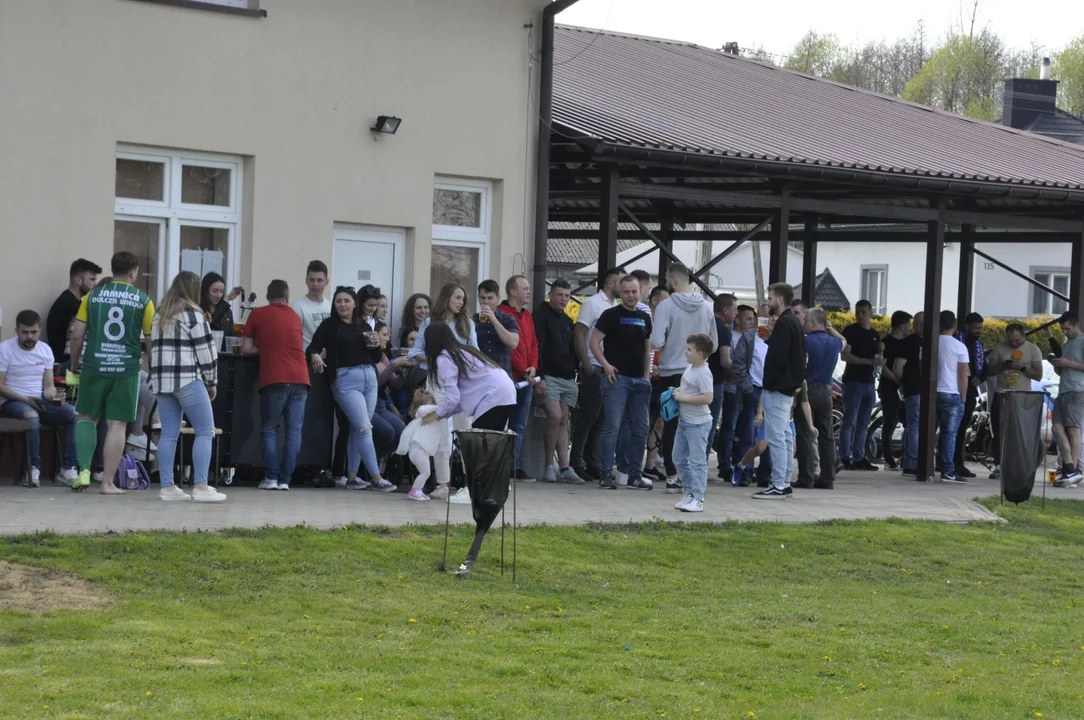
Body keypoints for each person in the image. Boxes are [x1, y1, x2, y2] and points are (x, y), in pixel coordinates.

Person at [69, 251, 154, 494]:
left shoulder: (92, 297)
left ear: (112, 269)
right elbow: (150, 341)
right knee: (117, 425)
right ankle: (107, 483)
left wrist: (75, 363)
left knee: (86, 418)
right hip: (125, 369)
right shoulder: (143, 300)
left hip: (95, 365)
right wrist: (153, 368)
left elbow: (77, 335)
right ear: (133, 271)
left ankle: (84, 471)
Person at [307, 286, 396, 492]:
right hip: (346, 380)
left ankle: (353, 477)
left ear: (355, 303)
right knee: (365, 428)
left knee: (358, 428)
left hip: (370, 378)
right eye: (338, 301)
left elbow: (375, 358)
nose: (342, 305)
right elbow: (311, 347)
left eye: (346, 301)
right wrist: (315, 355)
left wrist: (375, 346)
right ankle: (376, 477)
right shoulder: (329, 325)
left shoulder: (362, 324)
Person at [150, 271, 226, 503]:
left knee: (169, 434)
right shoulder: (193, 313)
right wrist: (211, 381)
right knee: (205, 430)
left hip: (163, 382)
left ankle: (167, 487)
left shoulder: (160, 314)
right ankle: (201, 486)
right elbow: (207, 352)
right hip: (187, 379)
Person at [650, 263, 718, 493]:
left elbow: (657, 340)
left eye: (669, 280)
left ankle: (672, 474)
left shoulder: (665, 306)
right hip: (698, 371)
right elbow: (714, 344)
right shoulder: (708, 307)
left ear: (674, 280)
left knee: (671, 424)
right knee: (696, 422)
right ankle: (693, 473)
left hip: (671, 371)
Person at [241, 279, 310, 491]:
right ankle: (285, 480)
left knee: (270, 429)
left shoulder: (258, 314)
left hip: (275, 379)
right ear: (287, 298)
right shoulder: (295, 316)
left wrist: (266, 350)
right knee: (293, 432)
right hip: (301, 379)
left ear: (268, 297)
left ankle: (271, 477)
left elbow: (245, 349)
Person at [0, 310, 78, 486]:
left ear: (40, 330)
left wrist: (56, 396)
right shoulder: (4, 349)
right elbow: (0, 386)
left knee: (74, 415)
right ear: (17, 330)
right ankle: (32, 468)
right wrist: (25, 399)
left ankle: (68, 468)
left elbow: (48, 386)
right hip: (12, 402)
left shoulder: (45, 350)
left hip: (39, 400)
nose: (29, 337)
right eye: (24, 332)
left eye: (34, 332)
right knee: (31, 417)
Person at [591, 275, 653, 490]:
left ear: (641, 291)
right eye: (626, 291)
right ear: (620, 291)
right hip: (617, 380)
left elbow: (647, 349)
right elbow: (593, 342)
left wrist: (646, 376)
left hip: (639, 381)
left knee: (641, 429)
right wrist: (606, 365)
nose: (630, 296)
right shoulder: (610, 315)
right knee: (612, 427)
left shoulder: (645, 317)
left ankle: (635, 475)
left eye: (634, 291)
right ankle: (606, 473)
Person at [570, 266, 624, 480]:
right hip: (593, 366)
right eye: (621, 282)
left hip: (607, 367)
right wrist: (586, 363)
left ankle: (591, 460)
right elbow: (579, 333)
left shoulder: (613, 305)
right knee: (588, 416)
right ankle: (576, 461)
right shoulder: (593, 303)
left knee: (601, 417)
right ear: (611, 283)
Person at [752, 283, 805, 500]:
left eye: (770, 298)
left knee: (776, 437)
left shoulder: (785, 323)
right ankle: (783, 482)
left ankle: (778, 485)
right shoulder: (792, 322)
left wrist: (768, 382)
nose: (767, 302)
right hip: (787, 386)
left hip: (778, 387)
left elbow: (778, 357)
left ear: (780, 300)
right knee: (782, 435)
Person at [421, 322, 516, 430]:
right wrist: (442, 414)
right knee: (492, 442)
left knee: (478, 442)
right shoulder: (462, 351)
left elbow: (453, 398)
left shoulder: (444, 358)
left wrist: (435, 415)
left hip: (493, 395)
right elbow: (457, 400)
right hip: (507, 392)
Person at [534, 279, 583, 484]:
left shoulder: (567, 320)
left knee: (564, 418)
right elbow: (537, 348)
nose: (563, 299)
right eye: (559, 295)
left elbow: (572, 349)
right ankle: (547, 467)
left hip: (567, 376)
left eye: (566, 296)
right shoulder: (540, 316)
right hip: (549, 376)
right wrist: (540, 377)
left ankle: (564, 467)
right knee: (554, 416)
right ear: (550, 295)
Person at [985, 322, 1043, 480]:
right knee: (998, 431)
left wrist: (1022, 368)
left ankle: (1019, 466)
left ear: (1023, 335)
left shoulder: (1032, 349)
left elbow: (1038, 375)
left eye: (1017, 340)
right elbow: (989, 370)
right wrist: (1003, 365)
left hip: (1022, 394)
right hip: (1001, 393)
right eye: (1011, 340)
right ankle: (998, 465)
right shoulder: (1000, 348)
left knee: (1019, 433)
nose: (1014, 343)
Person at [795, 308, 846, 489]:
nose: (804, 324)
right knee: (827, 436)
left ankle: (806, 477)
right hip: (826, 390)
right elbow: (844, 341)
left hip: (807, 390)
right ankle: (827, 478)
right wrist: (830, 328)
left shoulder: (806, 341)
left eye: (807, 321)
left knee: (805, 434)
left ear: (814, 323)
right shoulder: (834, 342)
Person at [497, 275, 539, 482]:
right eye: (525, 288)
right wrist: (523, 369)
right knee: (501, 423)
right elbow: (509, 347)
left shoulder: (528, 316)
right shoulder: (503, 314)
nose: (529, 292)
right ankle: (498, 465)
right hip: (509, 378)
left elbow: (533, 343)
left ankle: (514, 465)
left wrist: (533, 367)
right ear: (513, 291)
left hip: (527, 379)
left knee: (518, 425)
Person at [672, 333, 715, 512]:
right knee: (678, 458)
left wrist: (683, 397)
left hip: (698, 424)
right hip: (684, 422)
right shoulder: (690, 368)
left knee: (697, 461)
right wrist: (677, 392)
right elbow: (688, 389)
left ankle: (698, 498)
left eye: (689, 350)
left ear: (700, 354)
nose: (685, 352)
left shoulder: (704, 373)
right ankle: (689, 492)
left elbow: (708, 398)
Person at [839, 299, 881, 471]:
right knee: (849, 420)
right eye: (858, 312)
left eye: (864, 312)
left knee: (864, 422)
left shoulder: (875, 334)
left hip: (869, 382)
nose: (860, 315)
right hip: (853, 381)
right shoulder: (851, 331)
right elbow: (845, 355)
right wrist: (866, 361)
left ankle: (859, 456)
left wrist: (880, 353)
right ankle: (844, 456)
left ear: (870, 313)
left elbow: (879, 358)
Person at [729, 304, 765, 487]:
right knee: (747, 434)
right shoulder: (749, 338)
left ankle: (766, 474)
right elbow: (738, 364)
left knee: (769, 436)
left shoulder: (778, 340)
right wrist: (748, 388)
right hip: (752, 390)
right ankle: (745, 472)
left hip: (770, 391)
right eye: (764, 318)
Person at [934, 310, 970, 484]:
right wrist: (963, 398)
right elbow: (963, 376)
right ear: (954, 325)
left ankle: (922, 465)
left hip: (931, 393)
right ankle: (947, 470)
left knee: (926, 431)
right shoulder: (959, 347)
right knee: (949, 434)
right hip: (951, 392)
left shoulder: (930, 344)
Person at [47, 258, 102, 366]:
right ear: (78, 280)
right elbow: (76, 338)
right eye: (92, 279)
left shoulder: (70, 301)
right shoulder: (69, 305)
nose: (95, 284)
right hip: (67, 362)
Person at [408, 282, 478, 367]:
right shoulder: (429, 322)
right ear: (446, 298)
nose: (461, 302)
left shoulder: (467, 323)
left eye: (463, 299)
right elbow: (416, 351)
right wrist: (436, 361)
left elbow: (475, 352)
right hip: (431, 373)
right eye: (458, 298)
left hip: (457, 373)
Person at [1051, 312, 1084, 487]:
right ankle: (1069, 467)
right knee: (1056, 428)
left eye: (1068, 328)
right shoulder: (1068, 344)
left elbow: (1074, 366)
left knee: (1073, 429)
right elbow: (1066, 370)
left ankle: (1074, 471)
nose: (1065, 332)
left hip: (1077, 391)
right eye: (1063, 329)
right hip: (1063, 390)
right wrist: (1058, 366)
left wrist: (1068, 364)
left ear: (1077, 325)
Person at [878, 311, 913, 471]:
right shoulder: (887, 342)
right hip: (889, 388)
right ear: (901, 326)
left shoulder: (904, 343)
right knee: (890, 422)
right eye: (909, 325)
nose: (910, 328)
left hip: (901, 388)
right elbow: (882, 366)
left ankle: (903, 455)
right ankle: (888, 458)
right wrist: (897, 380)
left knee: (907, 422)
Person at [952, 312, 985, 478]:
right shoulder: (957, 342)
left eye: (980, 328)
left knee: (961, 428)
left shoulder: (978, 344)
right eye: (976, 328)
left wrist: (980, 379)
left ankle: (957, 462)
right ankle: (952, 462)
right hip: (954, 389)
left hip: (970, 390)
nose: (978, 331)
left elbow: (983, 367)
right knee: (953, 429)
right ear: (967, 326)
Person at [371, 321, 410, 464]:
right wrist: (394, 364)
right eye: (385, 335)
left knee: (402, 432)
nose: (388, 339)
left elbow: (393, 383)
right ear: (375, 336)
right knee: (388, 432)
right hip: (371, 405)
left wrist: (404, 374)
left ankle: (373, 459)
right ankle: (369, 462)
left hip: (381, 405)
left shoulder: (384, 357)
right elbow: (377, 382)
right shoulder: (370, 358)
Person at [643, 285, 671, 481]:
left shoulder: (669, 323)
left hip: (663, 379)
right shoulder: (646, 321)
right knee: (644, 422)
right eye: (665, 300)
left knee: (660, 422)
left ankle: (650, 465)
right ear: (654, 301)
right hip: (646, 378)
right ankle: (634, 463)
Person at [706, 294, 735, 477]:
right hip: (715, 382)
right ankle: (701, 464)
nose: (735, 313)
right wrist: (740, 369)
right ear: (726, 310)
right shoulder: (723, 330)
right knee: (709, 425)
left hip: (696, 380)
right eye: (734, 309)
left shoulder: (704, 323)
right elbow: (725, 362)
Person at [895, 312, 924, 477]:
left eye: (923, 322)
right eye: (918, 322)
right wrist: (904, 384)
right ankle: (912, 463)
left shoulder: (909, 342)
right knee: (915, 426)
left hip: (914, 390)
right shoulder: (910, 343)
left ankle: (909, 461)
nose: (921, 325)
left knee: (912, 426)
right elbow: (898, 368)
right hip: (915, 390)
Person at [474, 280, 519, 376]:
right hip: (481, 375)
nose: (486, 302)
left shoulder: (508, 319)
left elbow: (513, 343)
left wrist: (494, 320)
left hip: (502, 375)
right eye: (482, 298)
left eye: (490, 298)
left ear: (498, 299)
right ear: (478, 298)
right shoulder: (473, 320)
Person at [291, 260, 332, 348]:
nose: (315, 284)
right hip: (307, 358)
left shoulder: (330, 305)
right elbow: (293, 337)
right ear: (306, 281)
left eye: (319, 280)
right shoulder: (297, 306)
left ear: (327, 282)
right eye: (312, 280)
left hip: (328, 358)